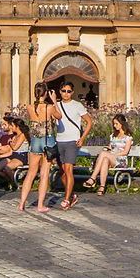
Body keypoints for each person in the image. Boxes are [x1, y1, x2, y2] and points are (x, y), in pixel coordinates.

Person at [49, 83, 92, 211]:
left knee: (68, 169)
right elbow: (54, 122)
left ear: (72, 92)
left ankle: (66, 199)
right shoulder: (55, 106)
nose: (66, 93)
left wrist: (82, 137)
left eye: (68, 91)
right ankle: (72, 195)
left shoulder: (77, 105)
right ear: (60, 92)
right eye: (63, 91)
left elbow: (89, 122)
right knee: (62, 171)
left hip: (72, 141)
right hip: (60, 140)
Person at [20, 83, 59, 215]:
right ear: (45, 93)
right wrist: (54, 101)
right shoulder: (49, 107)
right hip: (47, 140)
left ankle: (21, 203)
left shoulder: (30, 107)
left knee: (31, 173)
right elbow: (59, 116)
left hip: (35, 140)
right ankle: (40, 205)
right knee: (44, 174)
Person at [87, 115, 134, 193]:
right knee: (105, 159)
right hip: (111, 157)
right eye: (114, 124)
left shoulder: (128, 137)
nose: (115, 126)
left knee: (103, 154)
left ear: (122, 124)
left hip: (121, 159)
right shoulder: (113, 136)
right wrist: (109, 152)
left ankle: (93, 178)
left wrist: (113, 154)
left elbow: (125, 152)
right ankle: (102, 187)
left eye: (116, 124)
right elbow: (110, 148)